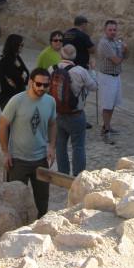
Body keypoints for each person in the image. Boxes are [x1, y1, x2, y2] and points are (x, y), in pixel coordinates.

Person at [0, 68, 57, 218]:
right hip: (18, 161)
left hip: (40, 160)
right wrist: (5, 152)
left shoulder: (50, 101)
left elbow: (52, 124)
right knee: (15, 202)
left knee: (42, 201)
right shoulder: (16, 101)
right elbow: (3, 125)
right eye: (39, 84)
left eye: (45, 85)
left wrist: (52, 147)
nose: (42, 88)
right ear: (31, 82)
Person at [48, 44, 97, 177]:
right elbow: (93, 87)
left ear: (61, 55)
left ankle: (63, 174)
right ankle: (77, 177)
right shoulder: (80, 71)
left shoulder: (52, 69)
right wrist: (92, 70)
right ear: (75, 57)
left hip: (57, 113)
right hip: (76, 115)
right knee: (78, 146)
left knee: (60, 145)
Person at [97, 20, 129, 144]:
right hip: (107, 78)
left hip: (115, 76)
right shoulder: (105, 43)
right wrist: (122, 54)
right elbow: (116, 60)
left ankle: (107, 126)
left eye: (114, 30)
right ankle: (106, 133)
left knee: (112, 103)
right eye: (110, 30)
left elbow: (126, 57)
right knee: (107, 105)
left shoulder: (115, 41)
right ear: (105, 30)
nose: (113, 32)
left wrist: (125, 50)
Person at [0, 34, 29, 111]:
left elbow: (27, 76)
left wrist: (20, 69)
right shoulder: (5, 62)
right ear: (15, 45)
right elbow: (20, 81)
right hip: (9, 100)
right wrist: (22, 76)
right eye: (21, 45)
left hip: (20, 98)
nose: (22, 47)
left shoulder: (17, 58)